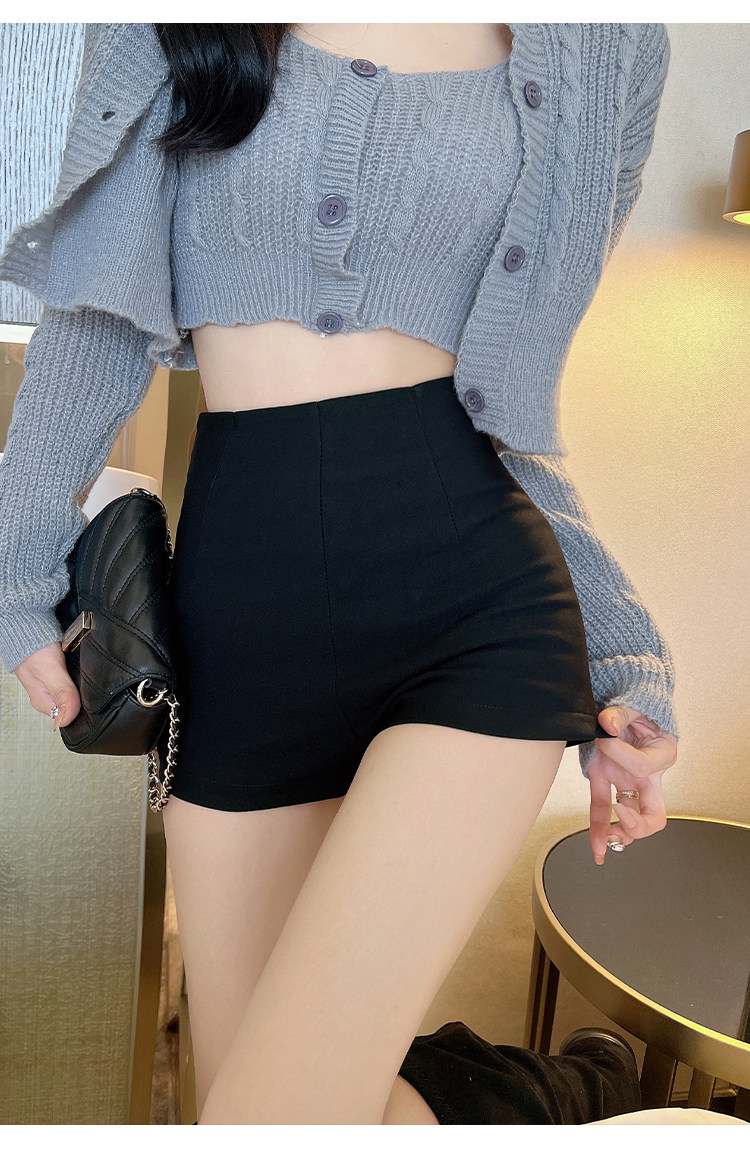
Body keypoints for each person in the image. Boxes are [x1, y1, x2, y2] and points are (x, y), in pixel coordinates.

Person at [0, 23, 679, 1124]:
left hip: (479, 611)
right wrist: (11, 561)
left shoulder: (603, 47)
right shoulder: (167, 25)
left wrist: (626, 655)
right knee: (251, 1108)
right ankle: (524, 1098)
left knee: (272, 1122)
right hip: (240, 623)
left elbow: (511, 409)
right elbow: (95, 318)